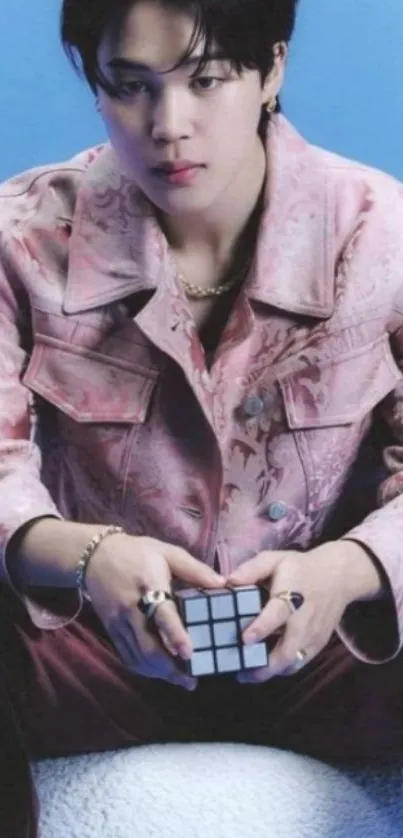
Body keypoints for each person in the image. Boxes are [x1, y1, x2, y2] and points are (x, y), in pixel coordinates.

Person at [2, 0, 403, 834]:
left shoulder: (381, 234)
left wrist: (345, 571)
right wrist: (88, 557)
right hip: (92, 650)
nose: (167, 125)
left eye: (206, 79)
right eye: (129, 87)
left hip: (331, 658)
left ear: (272, 70)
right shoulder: (24, 237)